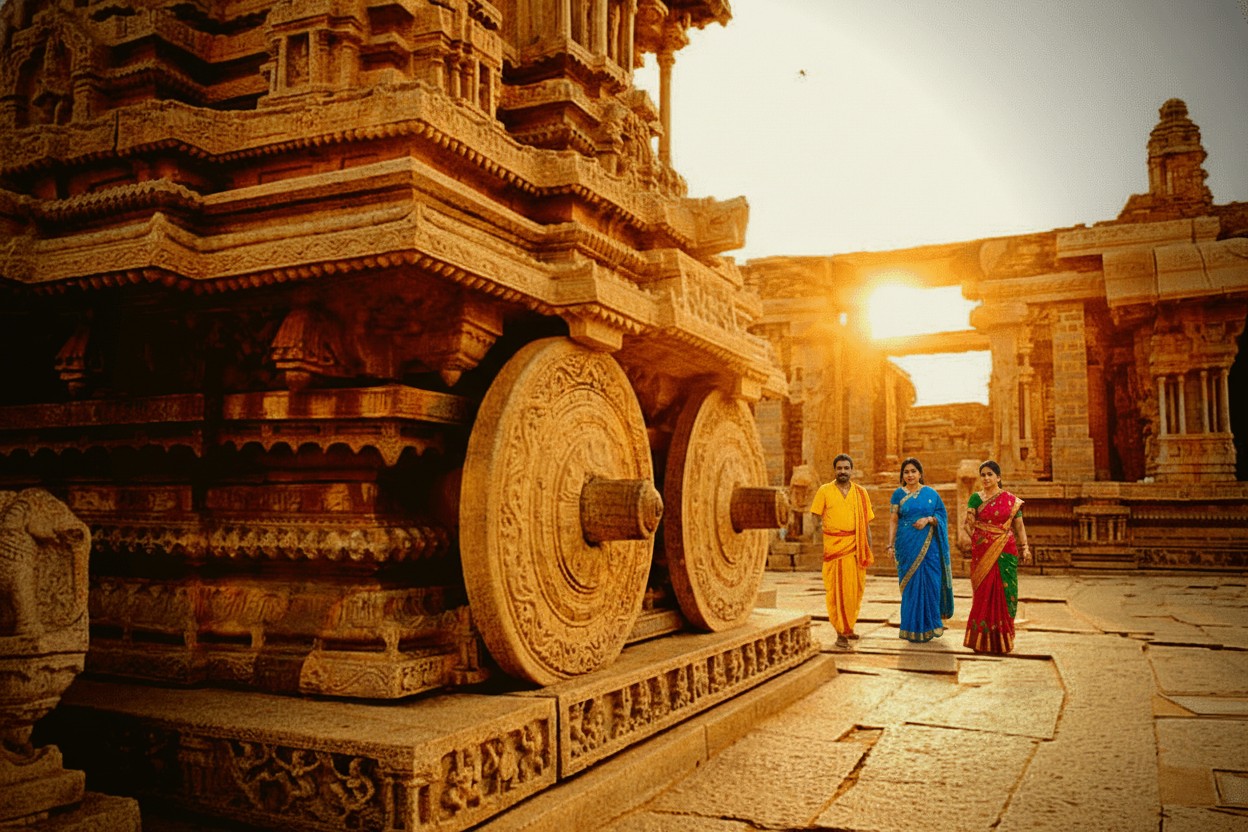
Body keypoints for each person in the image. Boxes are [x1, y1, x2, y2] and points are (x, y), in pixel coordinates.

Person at [961, 459, 1032, 654]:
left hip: (1005, 551)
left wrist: (1025, 547)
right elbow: (968, 525)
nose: (986, 478)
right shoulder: (975, 498)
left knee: (1005, 592)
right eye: (983, 474)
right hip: (983, 552)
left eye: (990, 474)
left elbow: (1019, 526)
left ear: (998, 477)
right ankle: (980, 642)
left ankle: (1002, 641)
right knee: (983, 595)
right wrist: (979, 539)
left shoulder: (1010, 500)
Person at [809, 454, 874, 649]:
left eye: (846, 468)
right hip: (835, 549)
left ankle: (849, 627)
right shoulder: (825, 491)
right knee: (836, 593)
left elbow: (866, 524)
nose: (843, 471)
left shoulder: (861, 493)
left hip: (856, 548)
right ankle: (840, 633)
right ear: (834, 470)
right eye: (839, 468)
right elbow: (815, 516)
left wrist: (867, 547)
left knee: (854, 592)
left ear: (851, 470)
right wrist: (821, 533)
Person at [886, 457, 954, 643]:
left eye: (913, 471)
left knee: (931, 583)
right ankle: (912, 628)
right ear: (902, 475)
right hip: (906, 545)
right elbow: (893, 521)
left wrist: (928, 520)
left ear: (920, 474)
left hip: (929, 545)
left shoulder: (931, 493)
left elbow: (941, 515)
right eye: (906, 472)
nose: (910, 475)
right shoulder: (898, 495)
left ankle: (930, 627)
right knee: (910, 587)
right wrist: (890, 545)